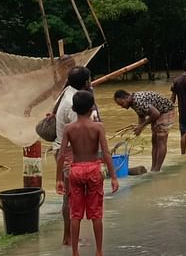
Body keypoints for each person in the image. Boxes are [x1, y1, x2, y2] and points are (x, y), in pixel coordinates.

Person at [56, 90, 119, 256]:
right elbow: (106, 153)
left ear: (74, 109)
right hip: (93, 169)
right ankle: (99, 251)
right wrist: (113, 176)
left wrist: (59, 179)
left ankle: (75, 252)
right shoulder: (98, 127)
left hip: (75, 170)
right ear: (92, 108)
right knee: (96, 214)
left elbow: (62, 154)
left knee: (75, 214)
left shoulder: (69, 128)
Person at [54, 66, 93, 246]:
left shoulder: (67, 93)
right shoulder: (73, 103)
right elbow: (81, 130)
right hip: (70, 152)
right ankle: (68, 237)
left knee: (71, 195)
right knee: (71, 196)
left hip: (65, 150)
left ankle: (69, 236)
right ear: (86, 82)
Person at [113, 89, 175, 171]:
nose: (122, 106)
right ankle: (154, 168)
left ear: (126, 98)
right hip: (158, 111)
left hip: (166, 111)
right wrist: (140, 127)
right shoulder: (133, 102)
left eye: (122, 104)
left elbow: (156, 114)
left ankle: (157, 169)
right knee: (154, 140)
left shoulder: (138, 101)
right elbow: (141, 115)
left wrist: (141, 126)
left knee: (161, 139)